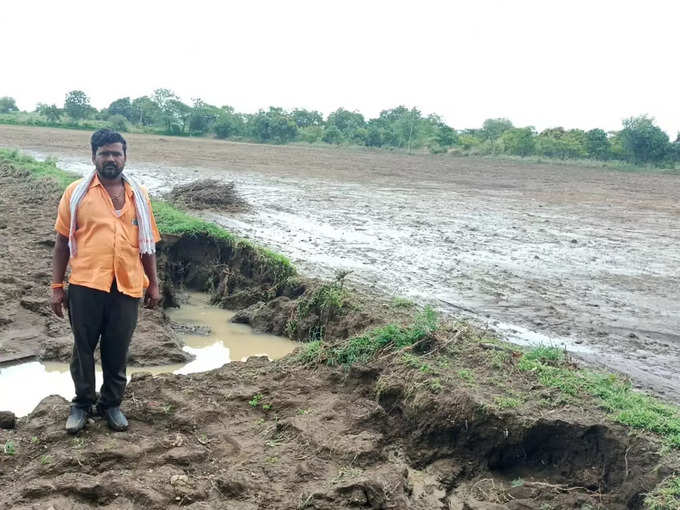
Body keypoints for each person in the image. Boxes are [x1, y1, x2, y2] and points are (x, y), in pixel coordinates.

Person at [50, 129, 161, 434]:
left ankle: (111, 405)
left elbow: (147, 246)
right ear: (93, 156)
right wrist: (57, 287)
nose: (111, 159)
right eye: (104, 153)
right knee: (83, 347)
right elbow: (61, 242)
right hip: (86, 283)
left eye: (116, 153)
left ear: (125, 157)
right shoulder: (76, 193)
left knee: (117, 347)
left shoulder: (139, 195)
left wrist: (153, 284)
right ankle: (82, 404)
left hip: (126, 285)